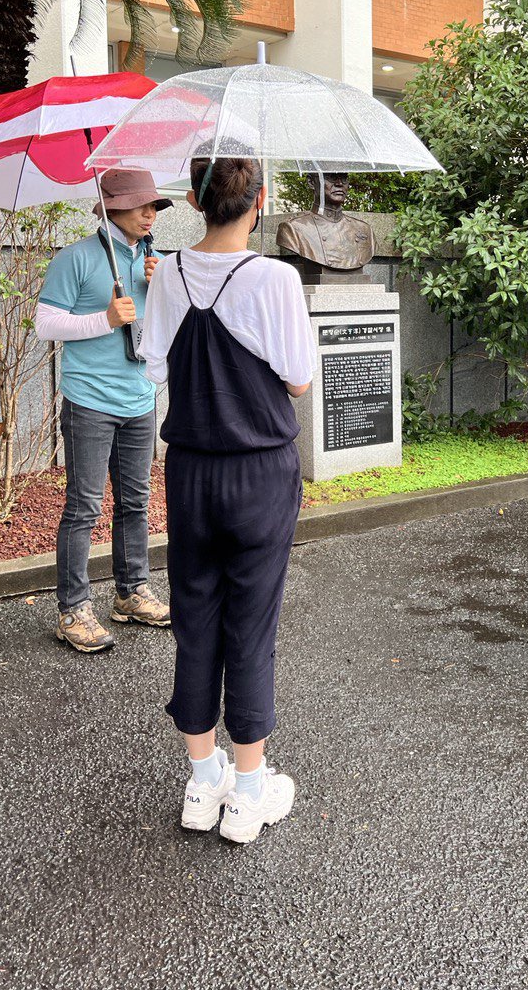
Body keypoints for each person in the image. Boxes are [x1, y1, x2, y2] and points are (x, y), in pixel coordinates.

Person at [141, 157, 316, 843]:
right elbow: (298, 380)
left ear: (192, 199)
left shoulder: (169, 274)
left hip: (189, 471)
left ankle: (201, 778)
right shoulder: (274, 277)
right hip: (259, 472)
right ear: (260, 200)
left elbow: (155, 364)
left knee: (195, 616)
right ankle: (247, 793)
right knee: (252, 623)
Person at [36, 169, 173, 653]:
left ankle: (131, 592)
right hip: (89, 400)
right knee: (83, 507)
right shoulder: (75, 257)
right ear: (110, 206)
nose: (150, 212)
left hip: (139, 397)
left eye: (154, 205)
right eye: (141, 204)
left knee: (136, 502)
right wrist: (105, 318)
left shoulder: (157, 260)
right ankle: (73, 609)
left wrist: (165, 292)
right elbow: (45, 323)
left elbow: (168, 327)